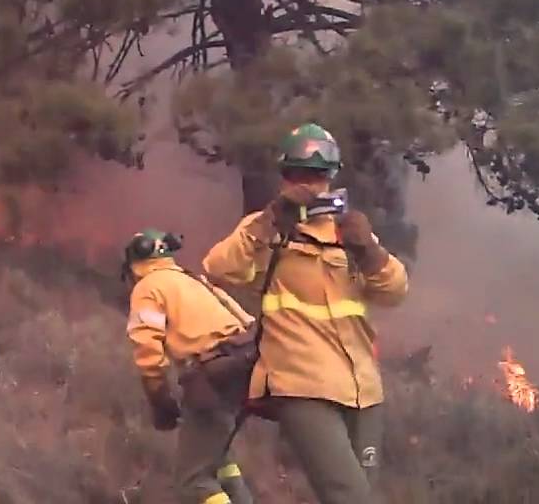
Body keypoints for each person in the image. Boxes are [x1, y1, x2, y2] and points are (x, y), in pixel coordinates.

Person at [202, 123, 409, 504]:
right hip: (300, 385)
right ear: (283, 177)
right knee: (353, 498)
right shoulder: (269, 230)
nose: (309, 185)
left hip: (363, 388)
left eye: (317, 175)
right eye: (298, 175)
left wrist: (371, 253)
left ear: (332, 177)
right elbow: (218, 267)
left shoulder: (351, 233)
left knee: (359, 494)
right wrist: (267, 222)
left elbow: (395, 291)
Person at [123, 229, 258, 504]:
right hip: (246, 369)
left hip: (211, 379)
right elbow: (246, 322)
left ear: (134, 265)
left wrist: (160, 400)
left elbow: (148, 351)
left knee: (192, 481)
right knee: (218, 462)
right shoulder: (194, 280)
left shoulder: (147, 287)